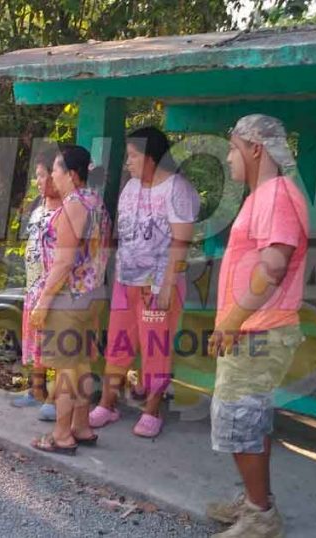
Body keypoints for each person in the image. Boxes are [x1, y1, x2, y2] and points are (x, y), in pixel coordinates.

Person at [204, 115, 308, 538]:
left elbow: (274, 265)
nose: (229, 156)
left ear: (255, 149)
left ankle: (261, 518)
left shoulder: (276, 195)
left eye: (232, 148)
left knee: (238, 422)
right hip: (255, 329)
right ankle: (253, 503)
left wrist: (231, 319)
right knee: (247, 423)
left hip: (260, 331)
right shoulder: (262, 195)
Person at [90, 127, 199, 438]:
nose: (129, 162)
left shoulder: (178, 189)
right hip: (127, 281)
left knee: (156, 348)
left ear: (152, 158)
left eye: (134, 156)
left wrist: (166, 285)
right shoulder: (131, 188)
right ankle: (108, 404)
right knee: (118, 343)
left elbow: (181, 242)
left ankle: (153, 409)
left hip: (158, 286)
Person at [28, 145, 110, 456]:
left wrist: (44, 300)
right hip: (91, 294)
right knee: (82, 364)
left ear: (72, 175)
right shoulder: (96, 202)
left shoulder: (73, 205)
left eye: (58, 170)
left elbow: (63, 263)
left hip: (69, 296)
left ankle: (61, 435)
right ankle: (81, 426)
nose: (53, 175)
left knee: (65, 369)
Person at [15, 158, 61, 421]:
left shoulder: (66, 210)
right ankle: (36, 389)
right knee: (34, 339)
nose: (39, 181)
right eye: (38, 176)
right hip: (32, 285)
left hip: (50, 287)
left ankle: (55, 397)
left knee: (52, 341)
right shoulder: (37, 208)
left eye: (44, 175)